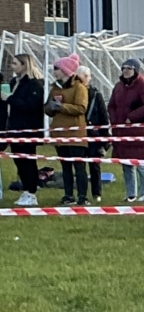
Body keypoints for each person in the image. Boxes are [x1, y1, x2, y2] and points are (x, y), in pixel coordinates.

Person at [108, 58, 144, 203]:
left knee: (142, 164)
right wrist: (115, 121)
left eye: (129, 68)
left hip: (138, 132)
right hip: (122, 132)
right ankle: (131, 194)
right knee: (127, 165)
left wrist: (132, 117)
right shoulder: (118, 87)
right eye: (124, 68)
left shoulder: (142, 86)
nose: (125, 71)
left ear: (135, 70)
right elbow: (111, 105)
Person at [46, 53, 89, 206]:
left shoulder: (79, 87)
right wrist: (50, 107)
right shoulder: (55, 87)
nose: (54, 72)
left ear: (65, 70)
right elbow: (47, 109)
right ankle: (68, 195)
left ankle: (83, 196)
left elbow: (81, 108)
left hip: (75, 133)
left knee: (79, 166)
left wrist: (62, 107)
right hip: (59, 133)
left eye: (56, 68)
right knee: (65, 167)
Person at [5, 53, 45, 206]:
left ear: (24, 65)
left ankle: (32, 192)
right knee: (18, 161)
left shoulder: (34, 85)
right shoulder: (14, 82)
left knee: (28, 161)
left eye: (15, 63)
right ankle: (26, 189)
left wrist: (10, 99)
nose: (12, 66)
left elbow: (31, 105)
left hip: (27, 129)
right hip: (14, 128)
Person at [77, 66, 111, 203]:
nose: (84, 79)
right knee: (80, 166)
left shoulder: (96, 95)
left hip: (93, 135)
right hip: (79, 134)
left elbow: (104, 117)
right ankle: (82, 194)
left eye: (86, 76)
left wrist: (105, 139)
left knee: (94, 165)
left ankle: (97, 193)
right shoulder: (75, 94)